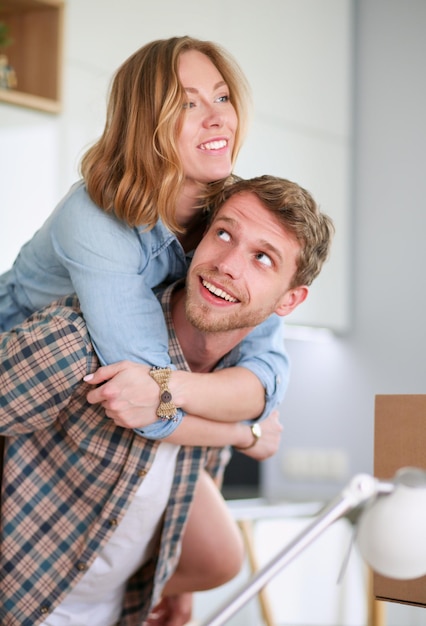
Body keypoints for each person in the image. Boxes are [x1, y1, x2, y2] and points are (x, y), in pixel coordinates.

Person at [0, 175, 333, 626]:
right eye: (224, 234)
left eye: (262, 258)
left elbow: (194, 487)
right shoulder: (78, 338)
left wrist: (168, 578)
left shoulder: (230, 386)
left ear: (289, 300)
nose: (229, 265)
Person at [0, 35, 288, 441]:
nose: (218, 118)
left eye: (222, 98)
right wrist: (248, 437)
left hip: (88, 402)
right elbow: (146, 405)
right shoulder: (94, 216)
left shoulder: (234, 217)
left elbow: (264, 374)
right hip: (20, 379)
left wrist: (178, 390)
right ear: (145, 124)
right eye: (188, 104)